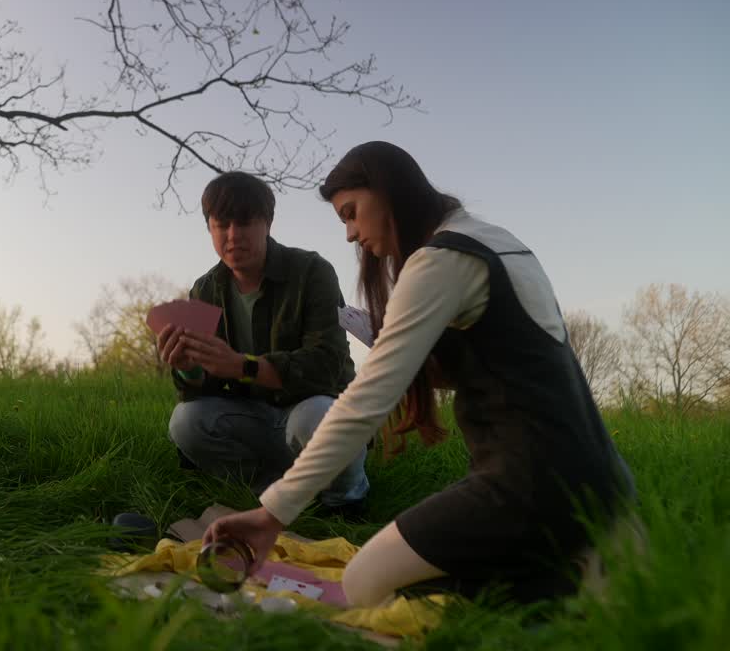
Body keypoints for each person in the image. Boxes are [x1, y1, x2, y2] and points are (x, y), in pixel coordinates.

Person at [202, 142, 637, 605]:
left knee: (364, 583)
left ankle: (557, 592)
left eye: (352, 213)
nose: (350, 234)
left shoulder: (440, 259)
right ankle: (572, 566)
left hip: (529, 486)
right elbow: (498, 363)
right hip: (601, 478)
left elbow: (366, 401)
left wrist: (272, 512)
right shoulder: (492, 241)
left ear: (388, 193)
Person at [158, 171, 369, 514]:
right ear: (209, 228)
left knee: (316, 415)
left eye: (244, 222)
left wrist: (243, 366)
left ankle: (344, 498)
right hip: (254, 418)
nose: (232, 236)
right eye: (221, 224)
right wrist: (188, 370)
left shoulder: (313, 271)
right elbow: (202, 390)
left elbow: (326, 366)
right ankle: (271, 493)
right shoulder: (205, 289)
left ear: (268, 222)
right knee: (185, 421)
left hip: (311, 413)